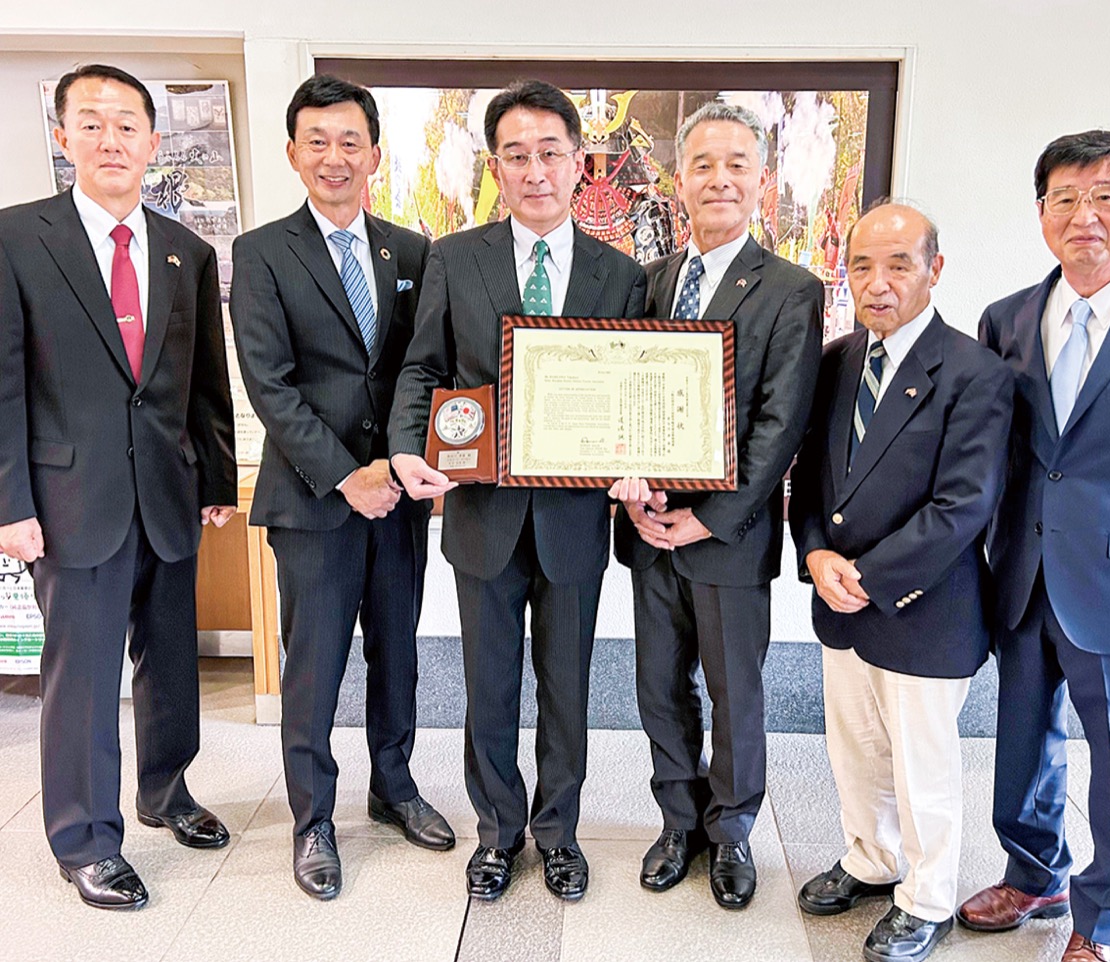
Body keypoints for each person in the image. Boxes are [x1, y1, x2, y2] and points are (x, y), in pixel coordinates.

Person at [389, 79, 645, 903]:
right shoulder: (454, 258)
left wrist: (640, 460)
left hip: (574, 520)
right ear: (495, 167)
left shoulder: (621, 274)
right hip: (483, 515)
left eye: (550, 153)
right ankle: (498, 831)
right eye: (517, 155)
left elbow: (633, 387)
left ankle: (558, 832)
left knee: (567, 689)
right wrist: (406, 449)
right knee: (490, 686)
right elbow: (424, 368)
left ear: (578, 161)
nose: (535, 171)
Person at [957, 130, 1110, 962]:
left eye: (1103, 196)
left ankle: (1106, 921)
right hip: (1024, 572)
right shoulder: (1008, 318)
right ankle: (1034, 874)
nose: (1083, 215)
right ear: (1041, 214)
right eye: (1064, 198)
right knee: (1023, 743)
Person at [0, 64, 237, 909]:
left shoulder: (185, 249)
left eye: (128, 125)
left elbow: (202, 381)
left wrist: (215, 478)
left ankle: (166, 792)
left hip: (169, 494)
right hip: (70, 501)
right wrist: (9, 506)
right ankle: (85, 838)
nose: (111, 140)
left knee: (169, 661)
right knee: (85, 675)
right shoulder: (16, 238)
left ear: (153, 141)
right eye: (92, 124)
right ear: (62, 136)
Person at [230, 74, 453, 901]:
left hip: (398, 499)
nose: (335, 157)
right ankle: (313, 819)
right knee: (315, 665)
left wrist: (398, 463)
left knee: (399, 653)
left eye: (350, 141)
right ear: (293, 154)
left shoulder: (413, 251)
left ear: (375, 155)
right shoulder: (260, 253)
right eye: (317, 142)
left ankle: (393, 787)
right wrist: (345, 474)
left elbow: (423, 370)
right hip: (314, 500)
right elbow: (270, 383)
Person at [608, 101, 822, 910]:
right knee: (658, 686)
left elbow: (781, 423)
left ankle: (732, 829)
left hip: (727, 534)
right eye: (704, 164)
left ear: (762, 181)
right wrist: (630, 489)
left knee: (736, 694)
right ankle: (679, 821)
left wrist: (708, 516)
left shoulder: (792, 290)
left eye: (738, 165)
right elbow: (625, 399)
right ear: (679, 180)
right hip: (648, 529)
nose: (720, 179)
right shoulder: (650, 282)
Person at [789, 203, 1013, 962]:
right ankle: (872, 858)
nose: (877, 284)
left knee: (923, 766)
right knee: (855, 749)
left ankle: (927, 897)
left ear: (934, 270)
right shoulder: (836, 360)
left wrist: (868, 574)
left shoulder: (975, 372)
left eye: (898, 265)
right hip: (840, 600)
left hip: (925, 606)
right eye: (861, 266)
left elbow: (964, 505)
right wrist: (816, 555)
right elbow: (810, 478)